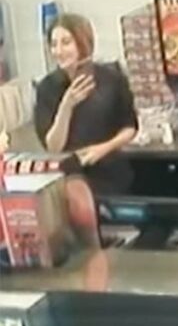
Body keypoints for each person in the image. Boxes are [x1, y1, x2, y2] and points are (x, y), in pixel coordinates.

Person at [32, 13, 139, 197]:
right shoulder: (47, 88)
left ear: (83, 42)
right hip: (70, 179)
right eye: (54, 44)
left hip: (111, 174)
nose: (58, 51)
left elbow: (130, 127)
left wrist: (103, 148)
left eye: (66, 42)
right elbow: (53, 147)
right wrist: (67, 105)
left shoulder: (112, 79)